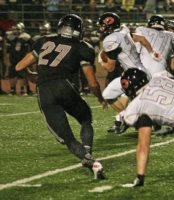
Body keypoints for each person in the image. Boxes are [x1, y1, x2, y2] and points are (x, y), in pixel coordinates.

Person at [15, 14, 107, 180]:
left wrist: (31, 76)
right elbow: (92, 83)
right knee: (85, 119)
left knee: (69, 140)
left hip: (43, 90)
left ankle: (92, 163)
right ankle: (88, 152)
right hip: (63, 86)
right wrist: (100, 98)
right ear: (79, 30)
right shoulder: (82, 47)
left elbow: (19, 66)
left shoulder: (43, 41)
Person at [97, 12, 160, 134]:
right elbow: (142, 39)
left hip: (134, 75)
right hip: (138, 71)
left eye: (102, 25)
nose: (100, 28)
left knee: (138, 104)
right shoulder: (123, 30)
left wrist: (100, 61)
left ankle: (143, 121)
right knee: (109, 94)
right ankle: (127, 117)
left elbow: (110, 68)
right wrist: (152, 52)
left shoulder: (111, 39)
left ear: (109, 25)